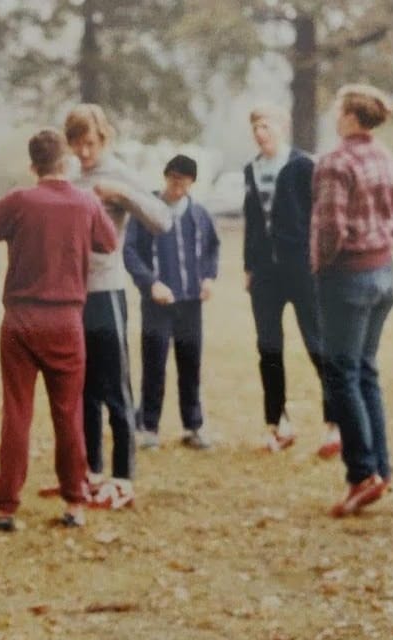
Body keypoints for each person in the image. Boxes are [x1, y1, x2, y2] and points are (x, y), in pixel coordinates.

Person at [0, 129, 119, 530]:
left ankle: (4, 506)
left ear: (32, 165)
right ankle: (74, 502)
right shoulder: (85, 202)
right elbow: (109, 242)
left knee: (17, 413)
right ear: (66, 161)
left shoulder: (20, 200)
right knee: (69, 413)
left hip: (20, 319)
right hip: (67, 320)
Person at [63, 104, 172, 508]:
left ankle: (123, 475)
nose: (84, 153)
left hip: (106, 290)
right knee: (83, 387)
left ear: (103, 139)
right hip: (70, 294)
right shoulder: (70, 174)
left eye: (89, 144)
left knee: (115, 386)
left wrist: (122, 195)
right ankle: (91, 470)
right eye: (76, 145)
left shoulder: (121, 173)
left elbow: (162, 220)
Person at [310, 84, 393, 517]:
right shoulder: (387, 158)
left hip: (348, 276)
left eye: (337, 110)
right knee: (365, 370)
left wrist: (320, 266)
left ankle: (362, 473)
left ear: (350, 116)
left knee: (341, 374)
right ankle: (379, 469)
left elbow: (330, 231)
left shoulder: (335, 163)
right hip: (384, 273)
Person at [242, 103, 340, 457]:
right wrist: (249, 265)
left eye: (265, 125)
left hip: (301, 267)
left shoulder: (302, 165)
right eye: (254, 126)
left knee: (317, 341)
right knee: (268, 346)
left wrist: (321, 259)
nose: (259, 132)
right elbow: (253, 219)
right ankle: (278, 422)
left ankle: (335, 423)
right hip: (265, 273)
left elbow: (320, 214)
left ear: (281, 126)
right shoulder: (250, 170)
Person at [124, 155, 220, 450]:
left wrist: (208, 277)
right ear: (165, 177)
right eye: (173, 178)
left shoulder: (199, 214)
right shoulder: (147, 212)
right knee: (154, 362)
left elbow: (212, 248)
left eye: (184, 180)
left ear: (192, 183)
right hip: (158, 302)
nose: (177, 186)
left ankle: (193, 425)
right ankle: (148, 426)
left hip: (190, 302)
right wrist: (150, 283)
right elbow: (129, 252)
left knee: (190, 362)